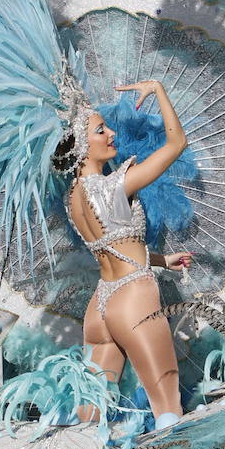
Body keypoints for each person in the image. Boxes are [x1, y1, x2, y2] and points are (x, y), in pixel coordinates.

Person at [59, 79, 193, 427]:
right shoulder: (114, 184)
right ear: (80, 148)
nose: (111, 134)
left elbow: (114, 245)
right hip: (133, 299)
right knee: (167, 406)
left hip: (100, 307)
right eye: (100, 131)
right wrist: (159, 89)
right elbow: (177, 143)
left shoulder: (73, 198)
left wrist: (164, 260)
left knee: (88, 421)